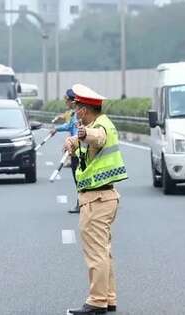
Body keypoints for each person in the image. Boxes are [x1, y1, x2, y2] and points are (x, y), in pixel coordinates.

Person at [63, 84, 128, 315]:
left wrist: (82, 134)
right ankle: (108, 298)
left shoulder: (98, 127)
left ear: (83, 110)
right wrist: (74, 142)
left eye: (77, 107)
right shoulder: (99, 123)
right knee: (104, 251)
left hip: (97, 199)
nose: (75, 111)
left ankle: (97, 301)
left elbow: (97, 138)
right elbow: (90, 147)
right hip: (104, 197)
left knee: (96, 253)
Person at [51, 89, 80, 213]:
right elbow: (69, 126)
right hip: (74, 150)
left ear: (72, 101)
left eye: (66, 100)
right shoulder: (74, 113)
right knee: (77, 178)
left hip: (80, 151)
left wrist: (72, 143)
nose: (65, 102)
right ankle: (82, 203)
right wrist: (56, 129)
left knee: (80, 178)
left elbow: (79, 132)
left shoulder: (80, 113)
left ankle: (83, 204)